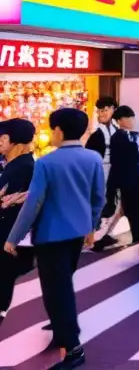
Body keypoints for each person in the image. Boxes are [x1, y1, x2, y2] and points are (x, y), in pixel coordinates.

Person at [4, 108, 105, 369]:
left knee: (55, 292)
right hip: (77, 235)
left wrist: (13, 237)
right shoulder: (93, 158)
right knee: (63, 284)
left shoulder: (47, 162)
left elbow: (32, 204)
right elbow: (98, 198)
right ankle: (62, 331)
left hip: (51, 236)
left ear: (58, 131)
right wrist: (92, 226)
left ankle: (73, 348)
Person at [93, 106, 139, 251]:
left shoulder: (132, 135)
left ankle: (101, 239)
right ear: (119, 120)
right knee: (130, 211)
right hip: (126, 181)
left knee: (125, 212)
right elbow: (119, 162)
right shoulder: (119, 137)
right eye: (128, 118)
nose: (132, 120)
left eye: (132, 117)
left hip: (131, 180)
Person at [0, 118, 36, 327]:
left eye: (3, 137)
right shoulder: (17, 165)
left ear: (16, 141)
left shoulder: (22, 167)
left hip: (10, 238)